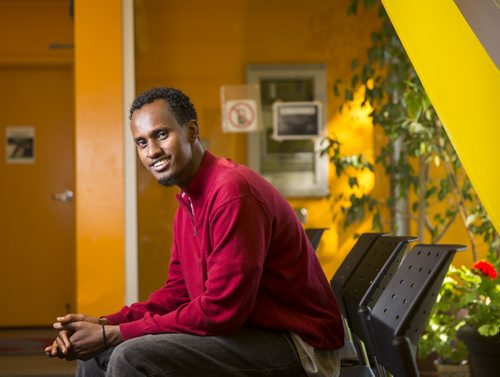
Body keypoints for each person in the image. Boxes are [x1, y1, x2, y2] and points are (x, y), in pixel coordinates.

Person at [45, 87, 344, 376]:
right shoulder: (188, 202)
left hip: (298, 345)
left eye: (161, 134)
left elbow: (221, 311)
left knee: (130, 357)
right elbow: (178, 294)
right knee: (98, 354)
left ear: (191, 130)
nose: (152, 151)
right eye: (141, 142)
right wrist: (102, 325)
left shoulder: (232, 192)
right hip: (249, 331)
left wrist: (115, 334)